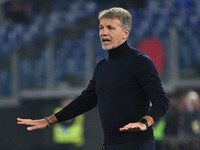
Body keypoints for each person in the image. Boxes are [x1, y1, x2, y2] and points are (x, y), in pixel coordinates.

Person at [17, 7, 169, 150]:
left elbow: (161, 101)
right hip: (109, 145)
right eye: (101, 28)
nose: (104, 32)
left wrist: (145, 122)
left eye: (110, 28)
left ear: (125, 33)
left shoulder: (140, 62)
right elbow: (85, 101)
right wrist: (49, 120)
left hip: (137, 145)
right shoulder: (102, 67)